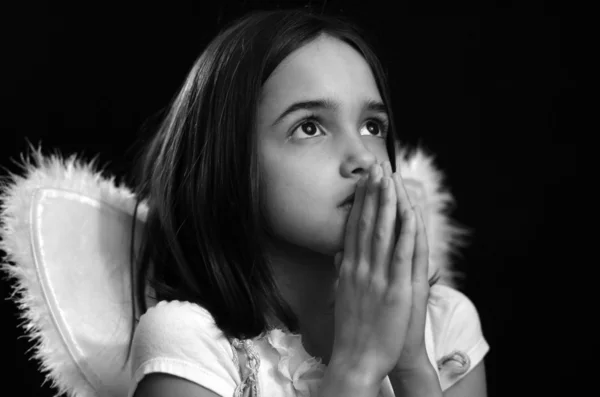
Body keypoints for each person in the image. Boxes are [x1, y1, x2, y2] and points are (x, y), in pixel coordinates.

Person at [127, 8, 489, 397]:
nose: (364, 159)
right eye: (310, 127)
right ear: (226, 159)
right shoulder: (190, 344)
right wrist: (357, 369)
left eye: (372, 126)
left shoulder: (447, 322)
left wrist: (413, 367)